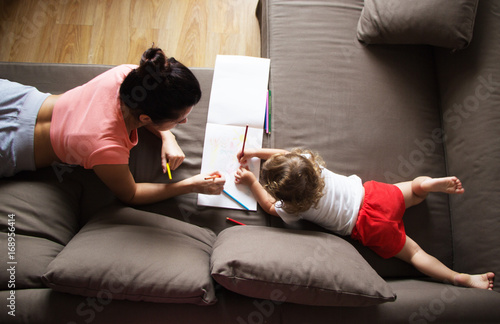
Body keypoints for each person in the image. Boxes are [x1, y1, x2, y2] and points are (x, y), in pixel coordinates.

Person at [235, 148, 495, 290]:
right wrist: (257, 151)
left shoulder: (293, 209)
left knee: (415, 253)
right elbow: (286, 153)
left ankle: (457, 278)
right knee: (413, 190)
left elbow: (269, 207)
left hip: (368, 228)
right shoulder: (309, 161)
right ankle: (427, 186)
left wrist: (251, 180)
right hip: (375, 196)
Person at [0, 47, 225, 204]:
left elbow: (142, 108)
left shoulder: (127, 75)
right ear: (146, 119)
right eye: (178, 120)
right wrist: (191, 185)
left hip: (19, 98)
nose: (184, 123)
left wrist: (168, 137)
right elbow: (131, 194)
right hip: (12, 145)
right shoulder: (108, 148)